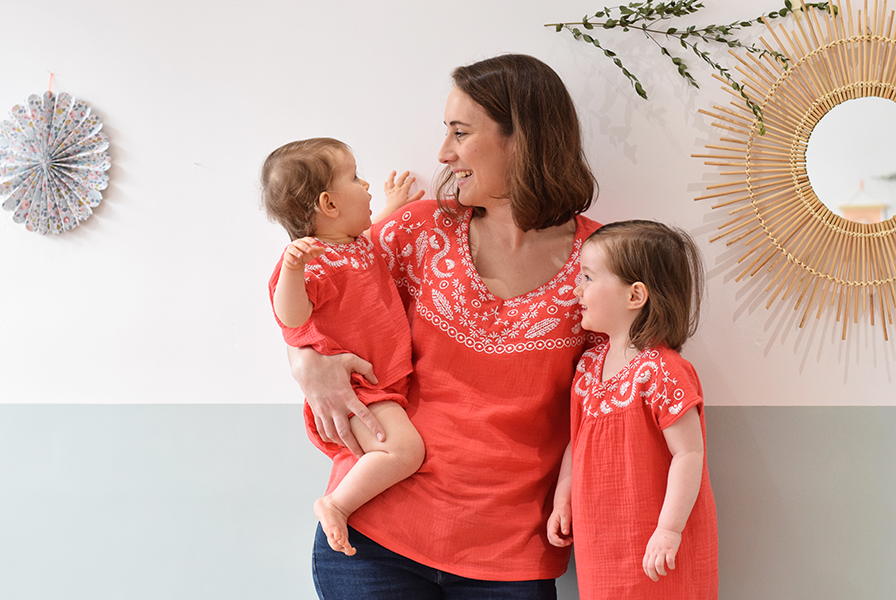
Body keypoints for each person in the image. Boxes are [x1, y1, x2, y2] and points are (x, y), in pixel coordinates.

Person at [288, 54, 600, 599]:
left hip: (511, 555)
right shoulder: (415, 230)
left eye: (460, 132)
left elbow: (607, 388)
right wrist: (305, 362)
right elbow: (316, 288)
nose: (443, 153)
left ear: (522, 139)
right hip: (373, 539)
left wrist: (575, 477)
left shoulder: (603, 260)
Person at [262, 137, 426, 556]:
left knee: (402, 447)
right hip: (358, 390)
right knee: (405, 451)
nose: (367, 185)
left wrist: (393, 203)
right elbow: (292, 317)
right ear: (329, 205)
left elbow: (374, 227)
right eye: (355, 177)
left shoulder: (356, 245)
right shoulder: (308, 260)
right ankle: (336, 504)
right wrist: (294, 270)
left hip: (382, 384)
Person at [546, 220, 719, 599]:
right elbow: (578, 441)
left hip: (656, 545)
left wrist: (669, 528)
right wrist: (564, 494)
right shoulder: (589, 366)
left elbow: (689, 453)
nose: (577, 290)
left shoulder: (663, 370)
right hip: (602, 543)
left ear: (635, 295)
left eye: (588, 278)